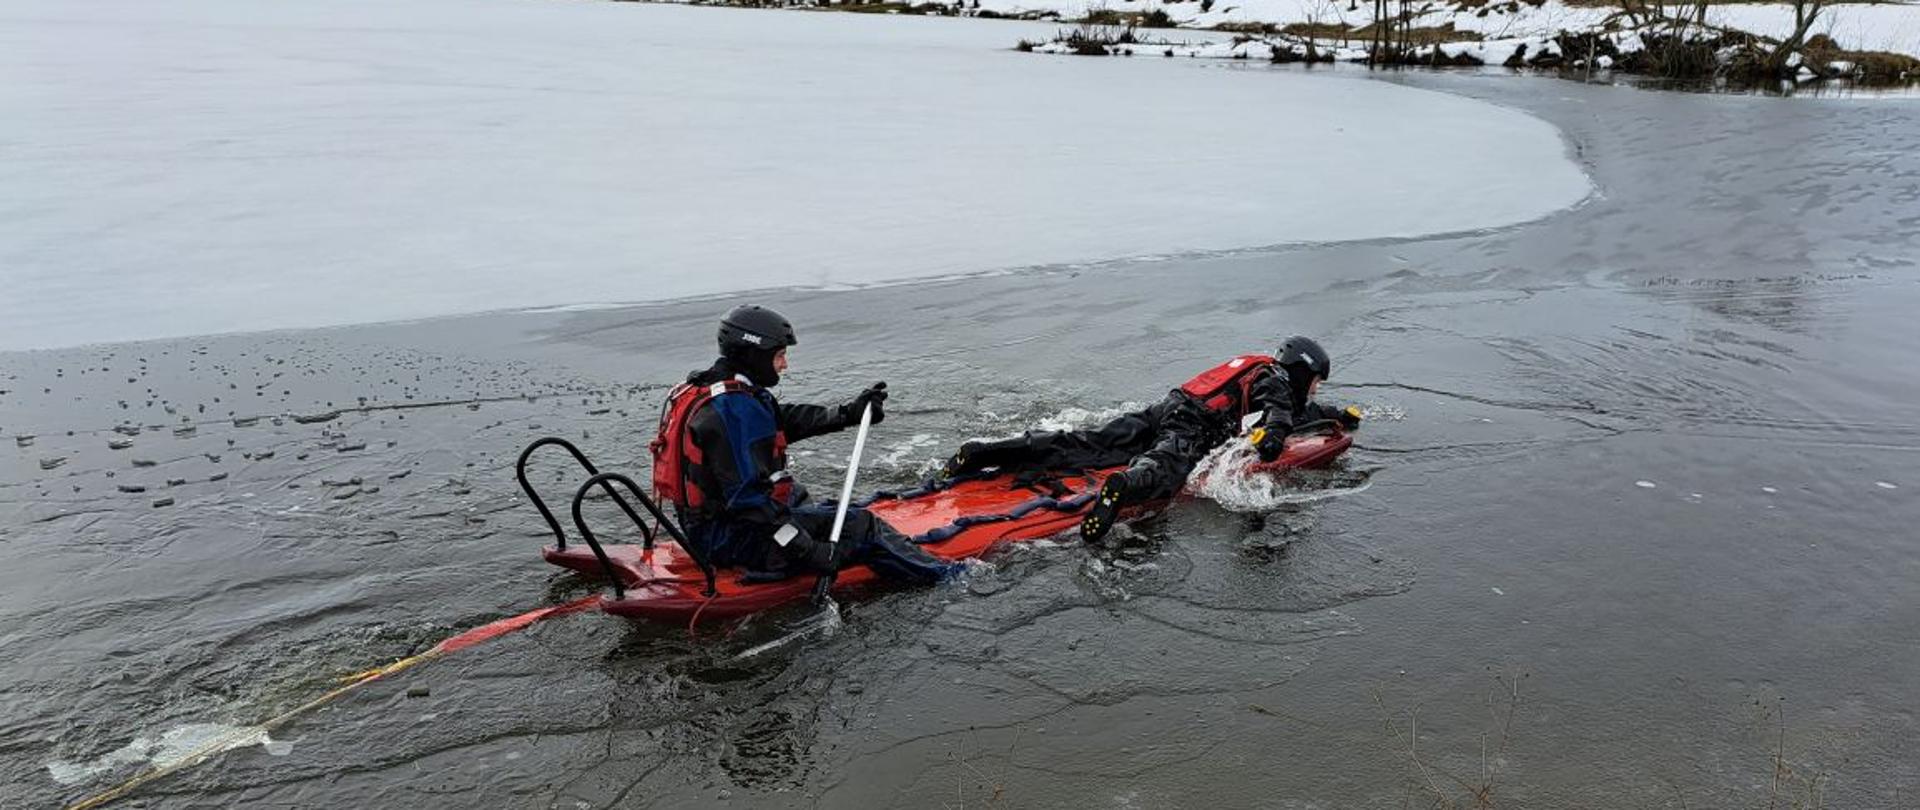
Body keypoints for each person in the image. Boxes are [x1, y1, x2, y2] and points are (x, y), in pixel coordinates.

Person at [938, 336, 1363, 543]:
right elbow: (1282, 413)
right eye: (1315, 383)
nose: (1314, 391)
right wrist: (1272, 439)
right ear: (1302, 371)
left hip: (1166, 406)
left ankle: (987, 452)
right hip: (1193, 423)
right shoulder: (1274, 380)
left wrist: (1335, 416)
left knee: (1086, 442)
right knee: (1168, 467)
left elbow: (1301, 410)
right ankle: (1125, 485)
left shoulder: (1252, 365)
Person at [650, 305, 960, 585]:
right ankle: (947, 579)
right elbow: (751, 504)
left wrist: (848, 413)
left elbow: (781, 420)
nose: (784, 365)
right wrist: (809, 550)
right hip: (727, 539)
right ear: (755, 355)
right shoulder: (734, 410)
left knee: (794, 493)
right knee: (864, 525)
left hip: (707, 527)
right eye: (779, 355)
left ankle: (804, 531)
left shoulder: (720, 389)